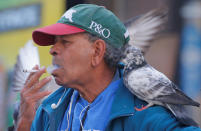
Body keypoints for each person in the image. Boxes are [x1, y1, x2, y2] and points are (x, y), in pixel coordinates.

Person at [17, 4, 201, 131]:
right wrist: (24, 122)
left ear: (97, 51)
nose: (52, 50)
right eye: (54, 43)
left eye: (65, 42)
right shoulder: (49, 109)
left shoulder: (142, 114)